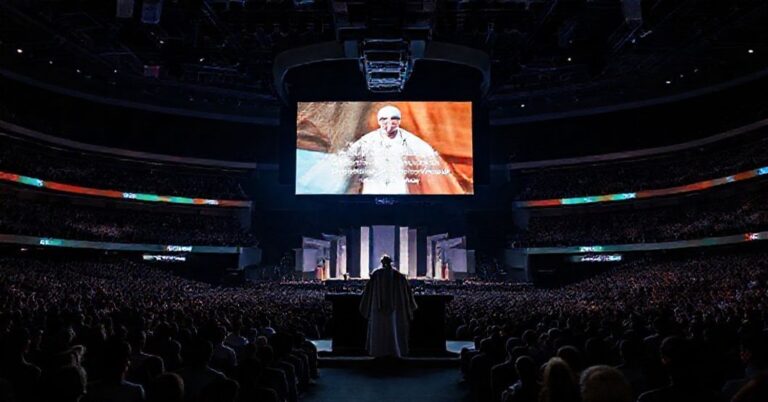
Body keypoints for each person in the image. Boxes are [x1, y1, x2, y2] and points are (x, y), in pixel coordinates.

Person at [341, 105, 464, 194]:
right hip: (372, 194)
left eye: (393, 119)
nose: (389, 123)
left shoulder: (412, 141)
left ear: (399, 121)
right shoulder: (367, 140)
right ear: (379, 121)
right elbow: (345, 161)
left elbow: (429, 158)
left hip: (400, 194)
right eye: (384, 119)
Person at [359, 254, 418, 358]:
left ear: (382, 263)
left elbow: (367, 294)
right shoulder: (399, 277)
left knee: (380, 331)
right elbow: (407, 294)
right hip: (396, 311)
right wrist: (410, 306)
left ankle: (379, 351)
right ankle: (396, 351)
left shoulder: (376, 276)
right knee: (395, 330)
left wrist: (365, 307)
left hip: (377, 311)